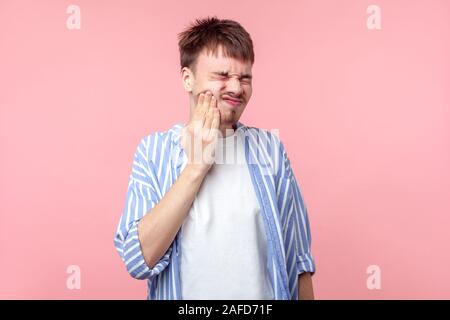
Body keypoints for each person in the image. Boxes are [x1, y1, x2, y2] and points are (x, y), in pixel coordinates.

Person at [114, 16, 316, 300]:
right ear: (188, 78)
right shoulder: (154, 152)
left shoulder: (269, 149)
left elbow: (298, 262)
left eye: (244, 78)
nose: (236, 88)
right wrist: (197, 165)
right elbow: (137, 259)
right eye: (222, 76)